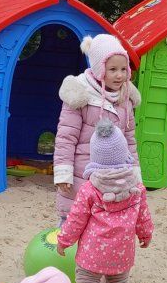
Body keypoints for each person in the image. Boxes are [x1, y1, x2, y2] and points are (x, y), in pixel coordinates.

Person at [57, 119, 152, 283]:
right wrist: (145, 235)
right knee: (118, 281)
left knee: (87, 278)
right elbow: (143, 215)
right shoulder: (137, 186)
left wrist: (64, 240)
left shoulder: (90, 188)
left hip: (93, 250)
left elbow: (76, 219)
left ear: (95, 156)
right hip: (123, 249)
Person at [54, 33, 139, 223]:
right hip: (82, 175)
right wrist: (63, 173)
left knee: (103, 227)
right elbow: (66, 138)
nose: (120, 75)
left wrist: (135, 174)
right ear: (100, 69)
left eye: (124, 69)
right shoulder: (80, 95)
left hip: (114, 179)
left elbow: (130, 141)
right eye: (113, 69)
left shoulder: (126, 99)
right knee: (73, 221)